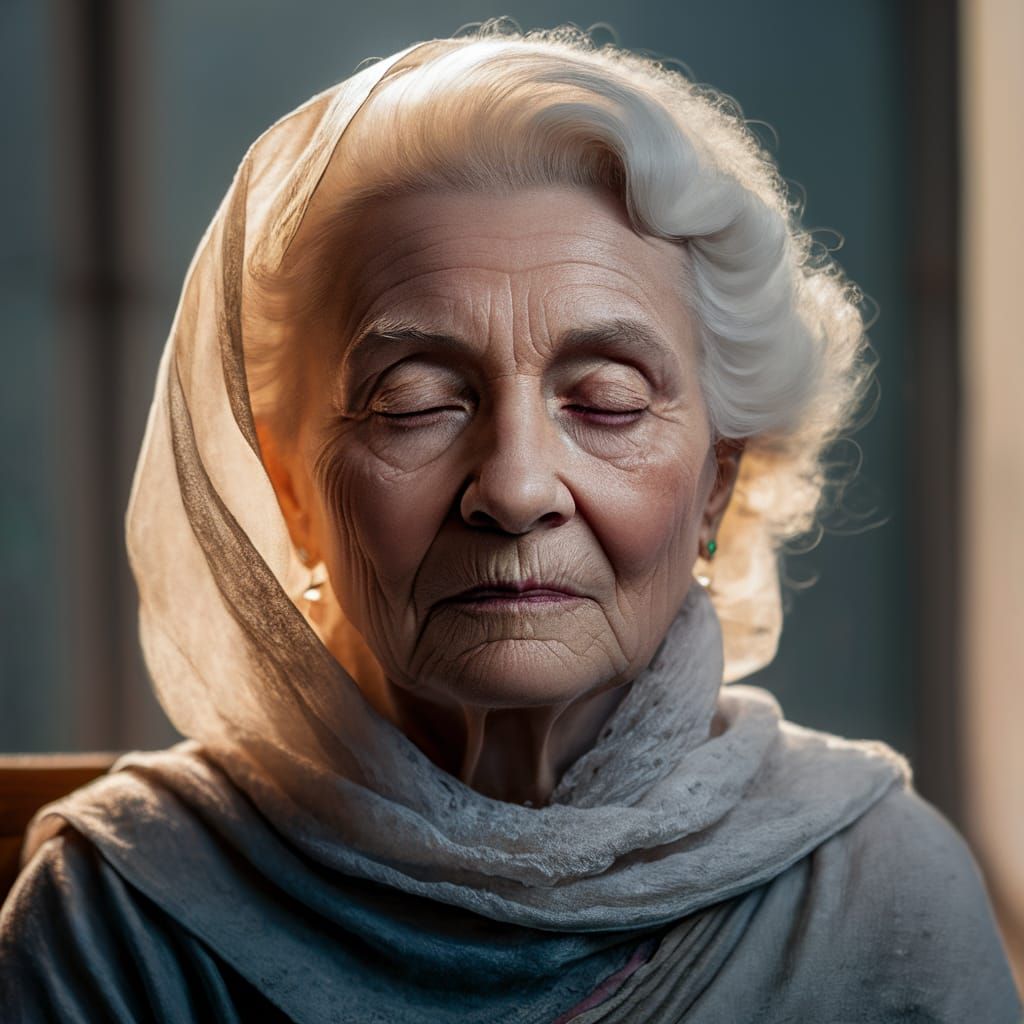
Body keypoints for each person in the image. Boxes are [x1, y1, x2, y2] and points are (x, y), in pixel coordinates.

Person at [0, 25, 1019, 1023]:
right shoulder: (126, 914)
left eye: (609, 400)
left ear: (717, 482)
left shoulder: (878, 894)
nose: (516, 484)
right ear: (292, 491)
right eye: (412, 400)